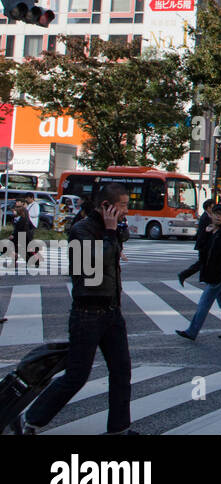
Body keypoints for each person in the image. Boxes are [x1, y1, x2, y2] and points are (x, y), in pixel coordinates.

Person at [22, 184, 133, 435]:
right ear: (107, 206)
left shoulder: (109, 230)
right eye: (124, 205)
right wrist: (110, 232)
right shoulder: (80, 231)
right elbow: (92, 264)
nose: (127, 210)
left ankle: (119, 429)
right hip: (87, 314)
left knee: (121, 371)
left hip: (112, 312)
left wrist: (114, 232)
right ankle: (31, 420)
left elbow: (117, 245)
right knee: (76, 376)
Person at [176, 203, 221, 343]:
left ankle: (192, 331)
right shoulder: (212, 232)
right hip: (214, 274)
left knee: (204, 304)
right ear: (211, 215)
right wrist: (186, 273)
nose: (218, 216)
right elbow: (203, 256)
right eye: (216, 213)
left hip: (218, 275)